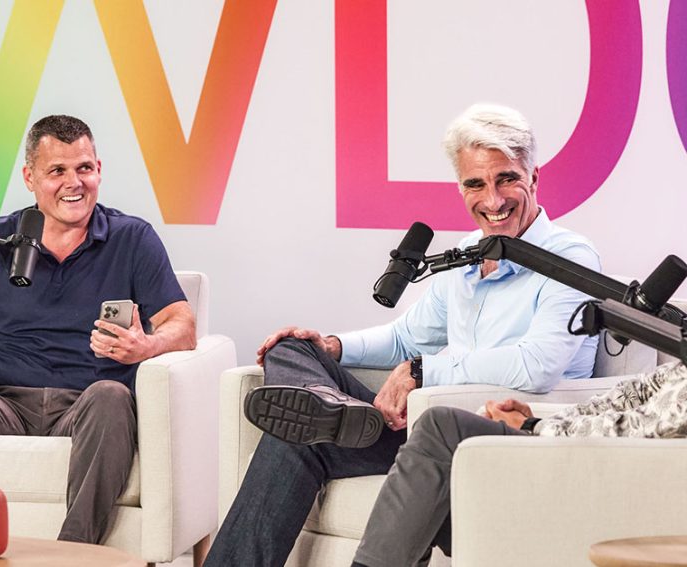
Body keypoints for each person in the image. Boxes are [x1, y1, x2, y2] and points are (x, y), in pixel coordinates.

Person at [204, 104, 601, 566]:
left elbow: (539, 365)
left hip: (488, 435)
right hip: (424, 429)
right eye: (475, 184)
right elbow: (406, 338)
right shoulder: (469, 255)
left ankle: (328, 412)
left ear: (534, 178)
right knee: (294, 350)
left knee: (296, 436)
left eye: (506, 179)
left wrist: (422, 371)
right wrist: (332, 346)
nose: (493, 200)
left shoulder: (569, 258)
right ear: (461, 188)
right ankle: (325, 405)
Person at [0, 115, 196, 544]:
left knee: (112, 396)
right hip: (2, 403)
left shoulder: (131, 238)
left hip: (87, 403)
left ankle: (74, 550)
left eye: (84, 168)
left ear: (98, 169)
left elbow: (183, 325)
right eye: (57, 171)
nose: (74, 182)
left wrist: (146, 346)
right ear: (30, 178)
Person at [351, 359, 687, 566]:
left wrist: (536, 427)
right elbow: (619, 400)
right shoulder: (679, 366)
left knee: (442, 431)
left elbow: (646, 428)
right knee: (438, 465)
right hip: (580, 453)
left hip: (618, 478)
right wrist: (537, 422)